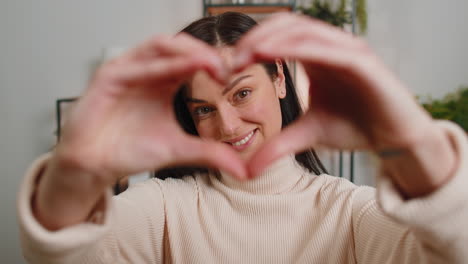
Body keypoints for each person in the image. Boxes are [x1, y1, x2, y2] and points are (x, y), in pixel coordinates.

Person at [17, 12, 467, 263]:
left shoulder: (349, 211)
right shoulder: (164, 209)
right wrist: (75, 173)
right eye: (204, 110)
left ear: (280, 81)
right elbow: (67, 257)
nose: (228, 127)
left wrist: (408, 142)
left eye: (242, 93)